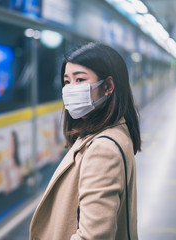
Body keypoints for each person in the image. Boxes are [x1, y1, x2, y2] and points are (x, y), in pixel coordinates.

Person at [29, 42, 141, 240]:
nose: (71, 89)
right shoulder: (114, 130)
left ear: (107, 86)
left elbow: (93, 236)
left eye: (80, 79)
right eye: (67, 81)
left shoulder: (103, 149)